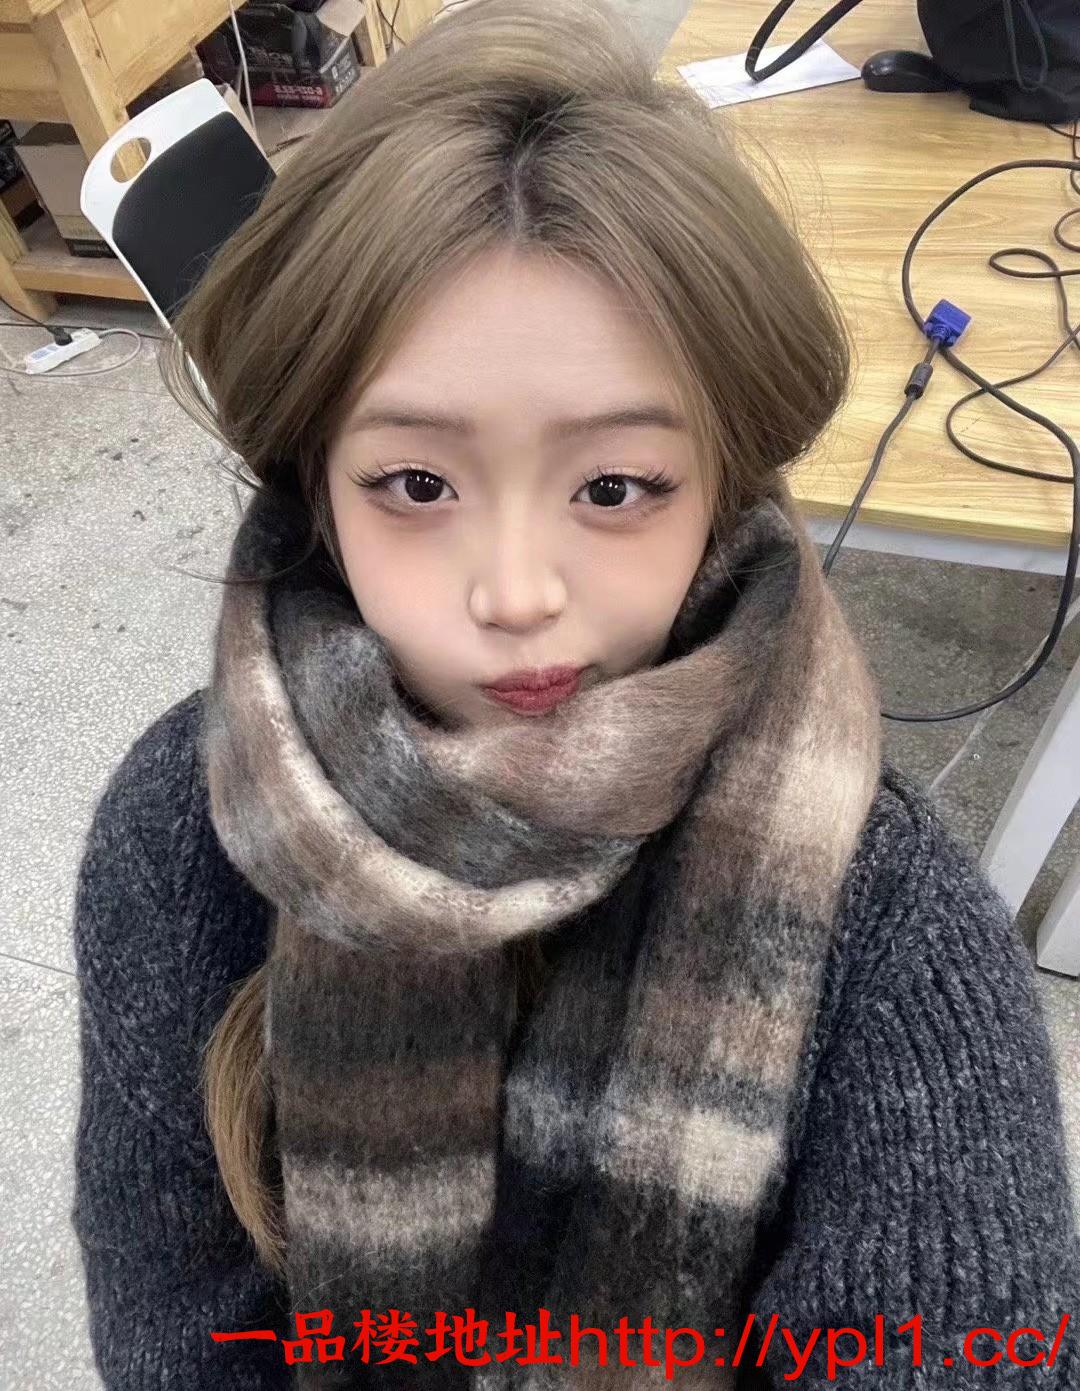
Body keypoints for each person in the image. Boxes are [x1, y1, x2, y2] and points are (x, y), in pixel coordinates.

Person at [70, 0, 1078, 1386]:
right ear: (315, 478)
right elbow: (181, 1330)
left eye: (613, 486)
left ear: (723, 479)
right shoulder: (183, 830)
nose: (515, 592)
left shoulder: (893, 942)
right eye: (417, 482)